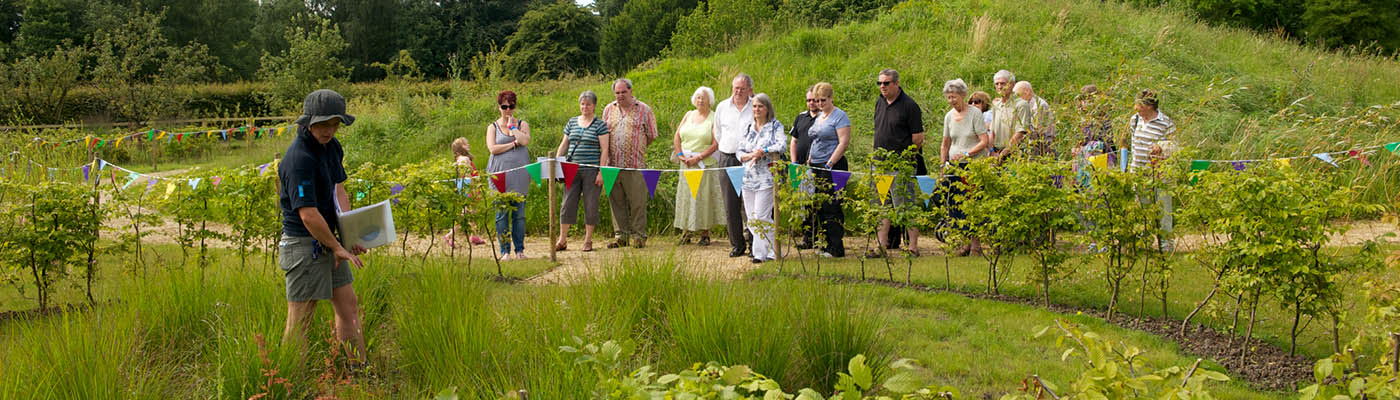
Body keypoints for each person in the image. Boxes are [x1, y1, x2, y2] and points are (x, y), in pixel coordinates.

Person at [277, 89, 367, 366]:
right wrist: (337, 246)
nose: (330, 130)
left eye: (335, 124)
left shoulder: (332, 147)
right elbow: (308, 215)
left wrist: (349, 232)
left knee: (348, 306)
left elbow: (338, 190)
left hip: (331, 241)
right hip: (304, 244)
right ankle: (289, 384)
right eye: (324, 124)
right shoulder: (298, 159)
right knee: (301, 318)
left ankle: (357, 370)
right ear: (308, 122)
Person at [871, 68, 926, 257]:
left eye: (886, 83)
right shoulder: (879, 102)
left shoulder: (909, 105)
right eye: (879, 83)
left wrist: (904, 160)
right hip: (880, 164)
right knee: (882, 205)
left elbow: (918, 138)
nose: (882, 87)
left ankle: (913, 247)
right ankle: (881, 246)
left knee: (905, 205)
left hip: (900, 166)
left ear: (896, 83)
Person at [602, 78, 659, 248]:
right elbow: (603, 134)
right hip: (612, 164)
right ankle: (621, 236)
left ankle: (639, 236)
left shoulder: (644, 109)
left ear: (631, 91)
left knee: (637, 203)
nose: (620, 96)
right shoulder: (608, 109)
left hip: (635, 165)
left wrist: (635, 147)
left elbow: (651, 135)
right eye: (617, 93)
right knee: (616, 202)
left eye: (623, 92)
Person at [937, 79, 991, 256]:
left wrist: (968, 154)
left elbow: (984, 141)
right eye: (948, 97)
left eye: (954, 97)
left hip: (973, 165)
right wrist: (943, 164)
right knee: (956, 205)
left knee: (972, 204)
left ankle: (976, 245)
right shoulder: (948, 116)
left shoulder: (975, 114)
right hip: (954, 166)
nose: (951, 100)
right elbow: (945, 143)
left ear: (963, 95)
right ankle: (964, 243)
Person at [554, 90, 610, 252]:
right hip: (571, 169)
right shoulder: (571, 122)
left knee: (591, 203)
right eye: (583, 104)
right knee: (567, 203)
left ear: (594, 106)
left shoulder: (600, 125)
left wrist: (601, 172)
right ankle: (562, 239)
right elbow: (564, 144)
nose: (585, 107)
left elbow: (604, 150)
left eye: (588, 104)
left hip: (591, 170)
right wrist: (557, 162)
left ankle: (588, 240)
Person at [672, 86, 725, 245]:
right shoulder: (688, 114)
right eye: (698, 97)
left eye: (704, 97)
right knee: (686, 197)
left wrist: (699, 157)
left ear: (710, 100)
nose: (700, 100)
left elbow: (716, 143)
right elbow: (677, 135)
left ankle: (705, 233)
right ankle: (686, 232)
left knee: (703, 198)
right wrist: (680, 154)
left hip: (704, 164)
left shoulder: (714, 118)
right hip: (686, 164)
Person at [738, 93, 787, 264]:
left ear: (767, 108)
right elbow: (739, 151)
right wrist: (750, 155)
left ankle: (768, 251)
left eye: (760, 106)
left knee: (762, 215)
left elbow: (781, 145)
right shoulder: (748, 127)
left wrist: (764, 151)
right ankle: (764, 251)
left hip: (767, 177)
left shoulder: (775, 126)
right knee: (751, 218)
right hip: (748, 177)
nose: (757, 109)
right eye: (754, 106)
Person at [803, 82, 850, 258]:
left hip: (832, 165)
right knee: (820, 206)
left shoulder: (839, 116)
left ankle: (836, 247)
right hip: (816, 164)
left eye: (823, 100)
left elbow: (843, 142)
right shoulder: (819, 116)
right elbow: (815, 139)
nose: (820, 103)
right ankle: (825, 243)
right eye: (817, 100)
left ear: (831, 98)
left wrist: (830, 162)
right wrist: (810, 159)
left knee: (832, 205)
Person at [712, 73, 755, 257]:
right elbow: (718, 131)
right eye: (735, 88)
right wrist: (728, 148)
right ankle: (737, 244)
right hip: (728, 158)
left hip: (750, 160)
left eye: (742, 88)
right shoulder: (723, 106)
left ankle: (755, 244)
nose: (738, 92)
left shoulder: (756, 105)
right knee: (731, 204)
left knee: (751, 204)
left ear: (750, 90)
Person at [1129, 89, 1177, 252]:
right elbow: (1132, 145)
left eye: (1139, 105)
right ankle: (1143, 242)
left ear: (1149, 106)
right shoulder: (1134, 120)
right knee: (1141, 207)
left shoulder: (1165, 122)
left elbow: (1174, 145)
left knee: (1163, 209)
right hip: (1138, 172)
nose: (1136, 108)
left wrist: (1162, 147)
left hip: (1159, 174)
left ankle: (1166, 244)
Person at [486, 90, 532, 260]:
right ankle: (504, 251)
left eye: (511, 106)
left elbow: (525, 141)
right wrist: (513, 144)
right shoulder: (492, 127)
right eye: (504, 106)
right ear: (499, 107)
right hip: (499, 176)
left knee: (519, 215)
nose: (507, 110)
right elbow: (493, 149)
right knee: (501, 215)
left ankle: (519, 250)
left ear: (515, 106)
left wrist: (513, 128)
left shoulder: (522, 124)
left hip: (520, 176)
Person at [788, 86, 821, 250]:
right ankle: (807, 238)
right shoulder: (801, 117)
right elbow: (793, 141)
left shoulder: (825, 118)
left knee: (818, 204)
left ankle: (821, 238)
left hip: (818, 167)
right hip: (800, 168)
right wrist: (794, 163)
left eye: (814, 100)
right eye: (808, 100)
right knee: (804, 204)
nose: (811, 103)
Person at [444, 137, 486, 248]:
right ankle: (450, 234)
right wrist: (473, 187)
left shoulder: (460, 158)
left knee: (471, 212)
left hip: (464, 186)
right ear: (460, 147)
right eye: (465, 144)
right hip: (468, 186)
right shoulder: (464, 159)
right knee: (467, 212)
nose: (468, 145)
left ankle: (474, 235)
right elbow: (466, 175)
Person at [1071, 85, 1115, 186]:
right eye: (1083, 100)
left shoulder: (1103, 118)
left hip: (1099, 159)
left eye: (1089, 100)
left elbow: (1107, 141)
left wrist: (1087, 147)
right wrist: (1076, 148)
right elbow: (1078, 139)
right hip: (1082, 160)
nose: (1085, 103)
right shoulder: (1081, 119)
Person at [989, 69, 1030, 161]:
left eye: (1003, 83)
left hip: (1014, 153)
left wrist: (1004, 152)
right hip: (996, 152)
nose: (999, 86)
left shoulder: (1021, 105)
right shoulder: (996, 105)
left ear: (1013, 84)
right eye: (997, 84)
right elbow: (992, 131)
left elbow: (1020, 133)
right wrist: (991, 151)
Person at [1013, 81, 1055, 157]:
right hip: (1032, 145)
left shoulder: (1039, 106)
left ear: (1027, 91)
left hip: (1042, 147)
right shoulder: (1027, 105)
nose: (1017, 99)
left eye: (1018, 95)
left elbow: (1036, 130)